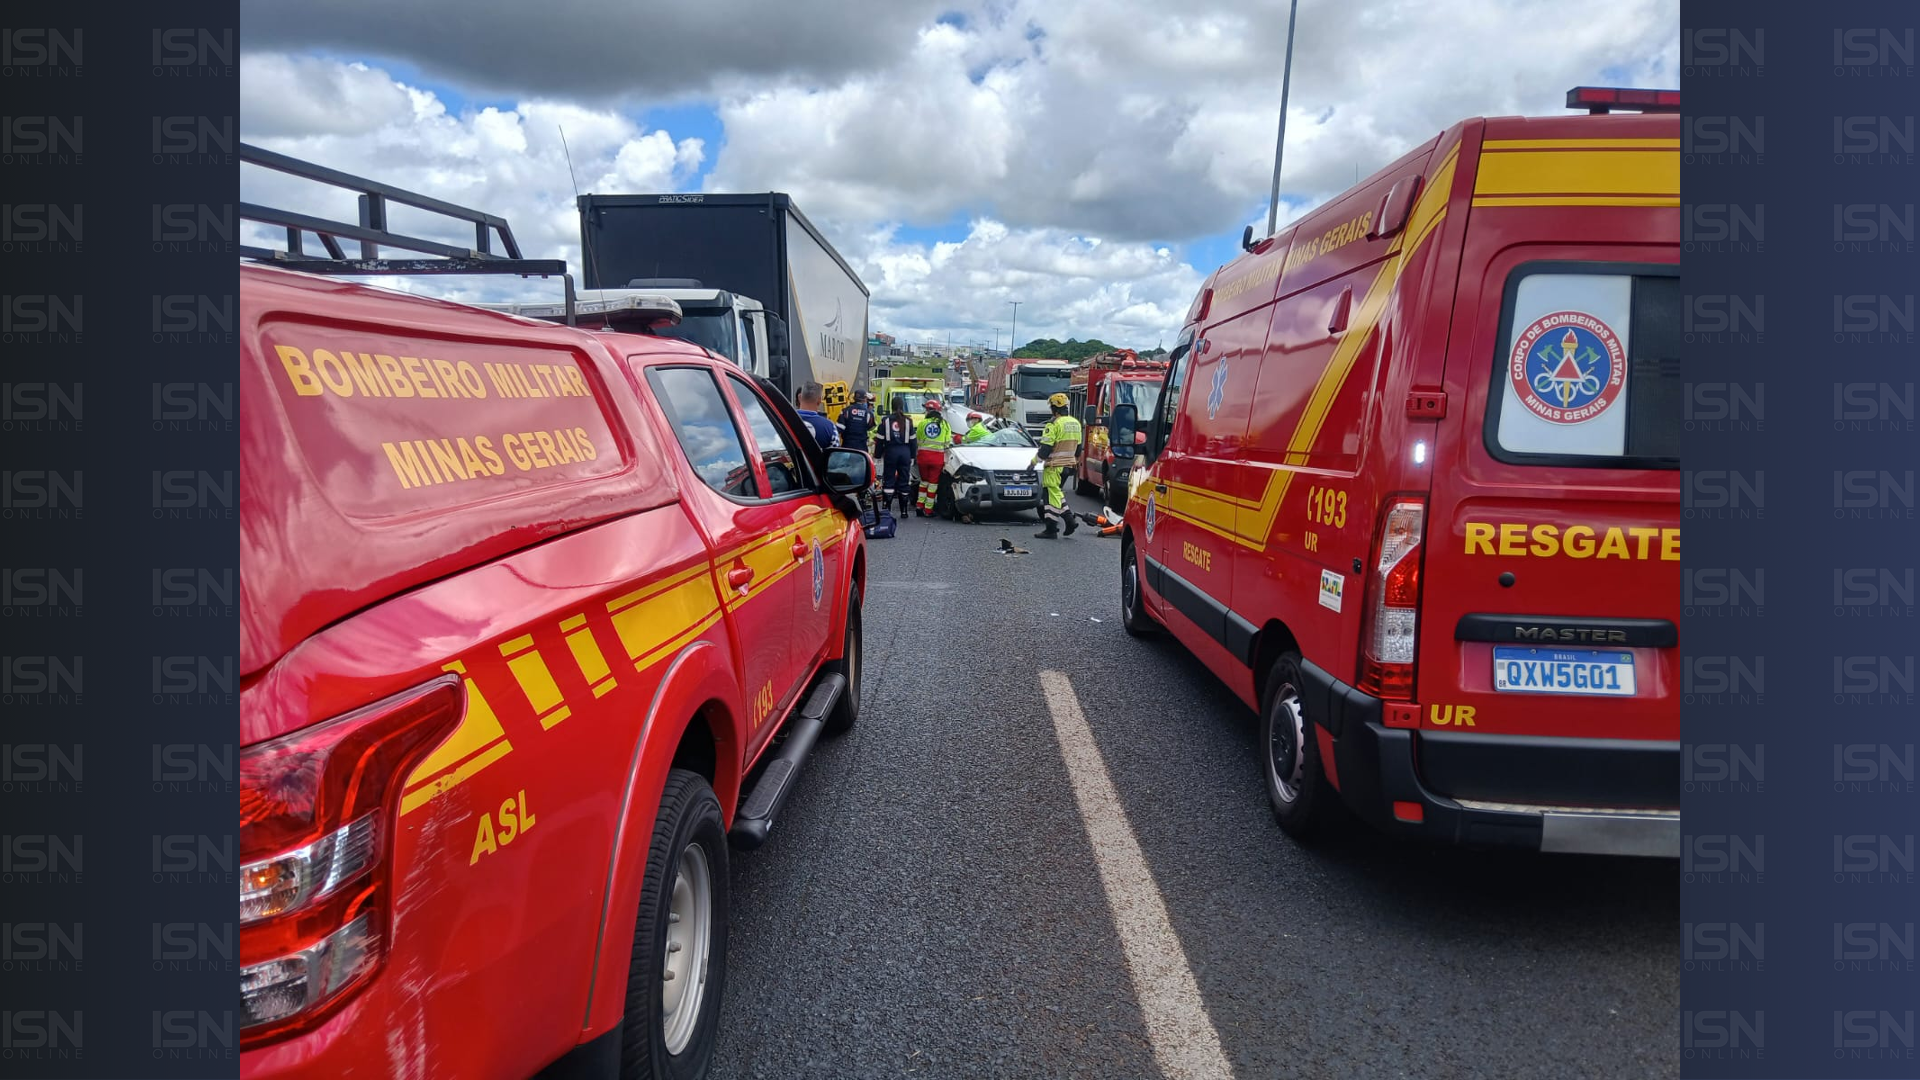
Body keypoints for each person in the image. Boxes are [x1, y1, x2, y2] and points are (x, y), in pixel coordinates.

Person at [1033, 392, 1083, 539]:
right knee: (1057, 493)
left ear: (1054, 409)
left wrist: (1033, 462)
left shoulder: (1053, 424)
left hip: (1054, 466)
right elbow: (1078, 448)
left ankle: (1052, 529)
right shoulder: (1076, 423)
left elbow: (1045, 450)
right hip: (1068, 466)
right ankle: (1068, 521)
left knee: (1050, 496)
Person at [875, 397, 917, 515]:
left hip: (890, 451)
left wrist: (877, 455)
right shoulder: (908, 421)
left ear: (891, 406)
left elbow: (880, 439)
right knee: (904, 479)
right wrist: (913, 456)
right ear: (903, 406)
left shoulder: (885, 420)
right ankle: (904, 511)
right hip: (905, 452)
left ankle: (887, 509)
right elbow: (913, 441)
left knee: (889, 479)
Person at [912, 399, 953, 517]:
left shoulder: (922, 423)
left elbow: (918, 440)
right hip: (937, 458)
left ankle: (919, 506)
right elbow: (947, 443)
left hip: (923, 457)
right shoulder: (944, 424)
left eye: (927, 409)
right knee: (933, 484)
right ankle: (928, 510)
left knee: (923, 482)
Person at [793, 382, 838, 450]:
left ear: (799, 397)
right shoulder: (830, 426)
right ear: (819, 400)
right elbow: (835, 455)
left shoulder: (783, 420)